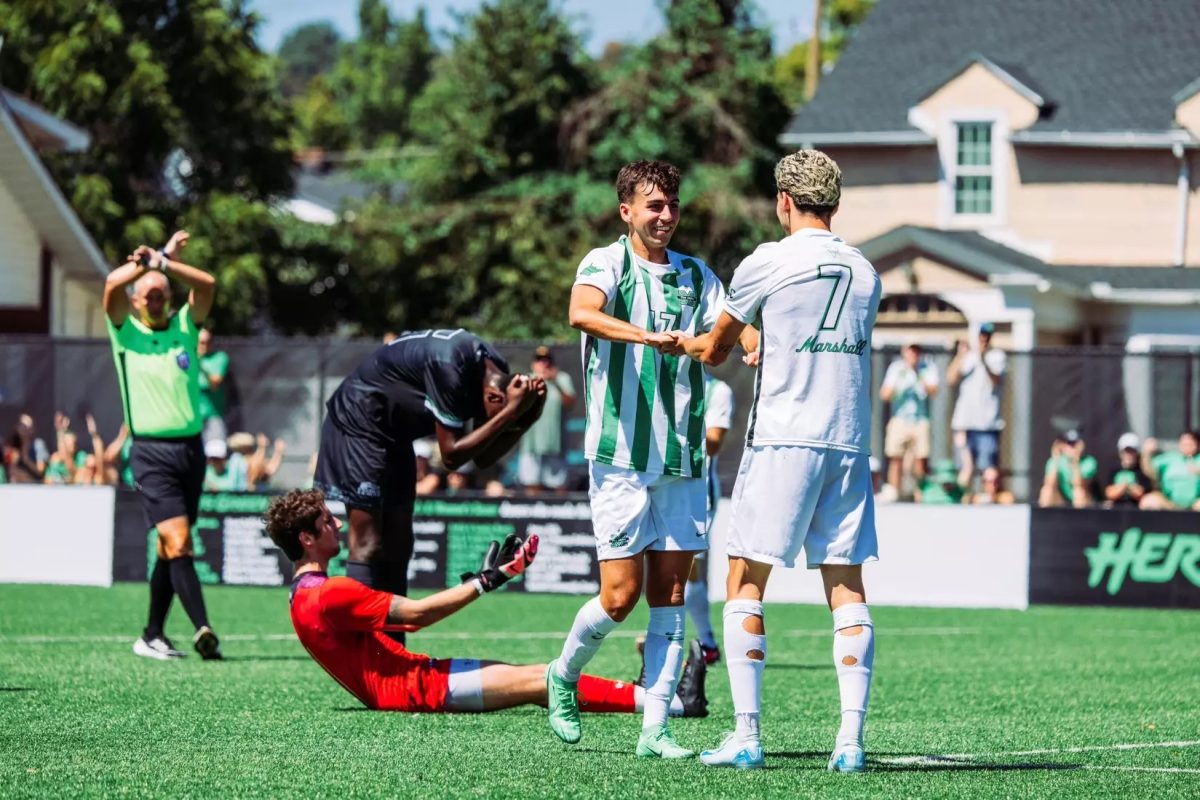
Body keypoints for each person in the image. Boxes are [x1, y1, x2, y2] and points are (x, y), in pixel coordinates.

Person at [670, 149, 881, 773]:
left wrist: (688, 341)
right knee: (846, 585)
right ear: (836, 204)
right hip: (847, 441)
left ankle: (748, 734)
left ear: (784, 202)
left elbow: (714, 351)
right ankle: (850, 743)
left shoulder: (768, 260)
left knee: (744, 580)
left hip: (785, 439)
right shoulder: (868, 271)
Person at [545, 160, 727, 760]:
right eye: (654, 205)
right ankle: (563, 675)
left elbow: (727, 337)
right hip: (620, 456)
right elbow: (581, 313)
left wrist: (752, 347)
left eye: (672, 204)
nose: (666, 215)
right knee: (619, 597)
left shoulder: (698, 275)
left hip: (682, 457)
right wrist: (648, 337)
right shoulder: (607, 262)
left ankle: (656, 728)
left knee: (671, 597)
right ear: (627, 210)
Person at [264, 489, 708, 717]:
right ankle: (671, 704)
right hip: (418, 690)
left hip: (414, 681)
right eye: (326, 521)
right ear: (306, 538)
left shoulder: (299, 597)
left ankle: (651, 693)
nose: (337, 524)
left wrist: (487, 579)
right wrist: (486, 581)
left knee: (536, 677)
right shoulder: (331, 592)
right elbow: (416, 616)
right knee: (544, 680)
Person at [313, 328, 546, 642]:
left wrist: (526, 417)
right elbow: (451, 456)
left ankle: (393, 649)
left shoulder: (494, 372)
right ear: (494, 397)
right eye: (502, 410)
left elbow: (483, 457)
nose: (499, 419)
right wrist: (513, 411)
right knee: (368, 541)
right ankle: (361, 651)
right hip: (359, 422)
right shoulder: (452, 368)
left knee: (399, 543)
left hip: (394, 434)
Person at [103, 229, 223, 661]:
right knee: (178, 541)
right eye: (149, 295)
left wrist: (165, 264)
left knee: (169, 549)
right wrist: (145, 263)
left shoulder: (185, 329)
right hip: (151, 452)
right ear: (136, 302)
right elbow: (111, 285)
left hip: (190, 451)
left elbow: (207, 285)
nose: (157, 300)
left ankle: (152, 633)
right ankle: (203, 628)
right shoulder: (124, 332)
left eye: (162, 295)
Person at [947, 323, 1006, 489]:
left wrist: (983, 359)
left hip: (987, 424)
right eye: (981, 335)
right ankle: (963, 500)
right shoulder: (967, 357)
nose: (984, 339)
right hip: (964, 423)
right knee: (965, 468)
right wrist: (960, 355)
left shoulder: (997, 356)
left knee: (989, 470)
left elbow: (997, 381)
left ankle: (988, 500)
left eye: (987, 335)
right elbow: (951, 379)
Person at [880, 342, 938, 498]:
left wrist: (918, 374)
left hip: (920, 419)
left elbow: (933, 390)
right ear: (904, 351)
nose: (914, 354)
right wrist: (901, 383)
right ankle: (895, 493)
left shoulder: (927, 367)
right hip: (899, 418)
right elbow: (884, 395)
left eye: (917, 351)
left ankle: (920, 495)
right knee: (896, 457)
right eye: (911, 351)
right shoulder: (896, 368)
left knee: (921, 459)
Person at [515, 345, 576, 492]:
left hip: (555, 444)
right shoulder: (527, 379)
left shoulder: (562, 378)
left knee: (559, 486)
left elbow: (570, 403)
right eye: (539, 360)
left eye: (547, 360)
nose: (544, 363)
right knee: (531, 484)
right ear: (533, 363)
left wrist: (555, 381)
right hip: (531, 444)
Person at [1138, 431, 1200, 511]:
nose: (1186, 446)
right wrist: (1146, 453)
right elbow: (1149, 471)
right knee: (1148, 502)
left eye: (1190, 444)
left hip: (1195, 503)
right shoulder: (1170, 458)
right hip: (1169, 502)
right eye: (1184, 444)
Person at [1037, 429, 1097, 508]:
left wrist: (1075, 461)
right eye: (1068, 443)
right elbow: (1049, 483)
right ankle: (1043, 518)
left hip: (1084, 500)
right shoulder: (1054, 461)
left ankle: (1079, 518)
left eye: (1074, 444)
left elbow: (1078, 484)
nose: (1070, 447)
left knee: (1078, 492)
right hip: (1061, 500)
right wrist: (1056, 458)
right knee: (1046, 491)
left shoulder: (1089, 462)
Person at [197, 327, 230, 445]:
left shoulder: (220, 358)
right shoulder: (187, 358)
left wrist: (199, 362)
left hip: (213, 417)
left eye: (208, 341)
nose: (204, 345)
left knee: (215, 455)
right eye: (201, 342)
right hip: (192, 420)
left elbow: (215, 384)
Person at [1103, 433, 1152, 509]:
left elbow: (1142, 493)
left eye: (1131, 452)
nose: (1128, 455)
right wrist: (1123, 488)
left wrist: (1128, 487)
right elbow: (1109, 493)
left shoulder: (1142, 471)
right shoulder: (1114, 470)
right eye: (1126, 451)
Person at [5, 413, 48, 483]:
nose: (24, 430)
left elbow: (41, 471)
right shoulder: (13, 445)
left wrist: (26, 459)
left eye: (28, 427)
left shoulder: (38, 445)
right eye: (22, 426)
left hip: (33, 485)